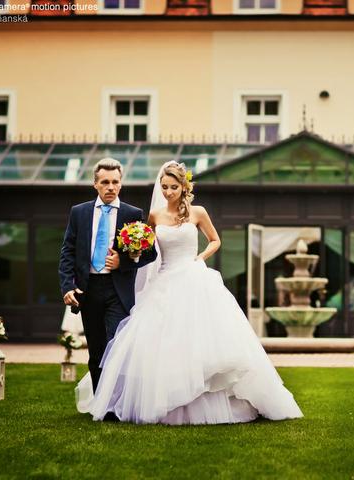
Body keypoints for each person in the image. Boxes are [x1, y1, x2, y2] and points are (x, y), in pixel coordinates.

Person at [77, 161, 303, 425]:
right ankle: (164, 400)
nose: (168, 192)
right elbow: (147, 252)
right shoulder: (154, 216)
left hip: (194, 277)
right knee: (164, 343)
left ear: (183, 187)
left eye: (173, 187)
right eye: (164, 187)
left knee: (202, 338)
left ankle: (217, 400)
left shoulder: (198, 212)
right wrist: (134, 250)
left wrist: (200, 257)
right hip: (164, 282)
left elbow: (215, 240)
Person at [58, 157, 157, 393]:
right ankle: (100, 404)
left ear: (121, 183)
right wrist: (67, 286)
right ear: (95, 184)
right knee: (96, 351)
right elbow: (67, 251)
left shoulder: (133, 213)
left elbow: (150, 254)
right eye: (105, 182)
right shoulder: (79, 212)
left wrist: (123, 261)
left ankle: (114, 404)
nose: (110, 187)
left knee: (116, 347)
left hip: (118, 291)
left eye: (115, 182)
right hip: (88, 289)